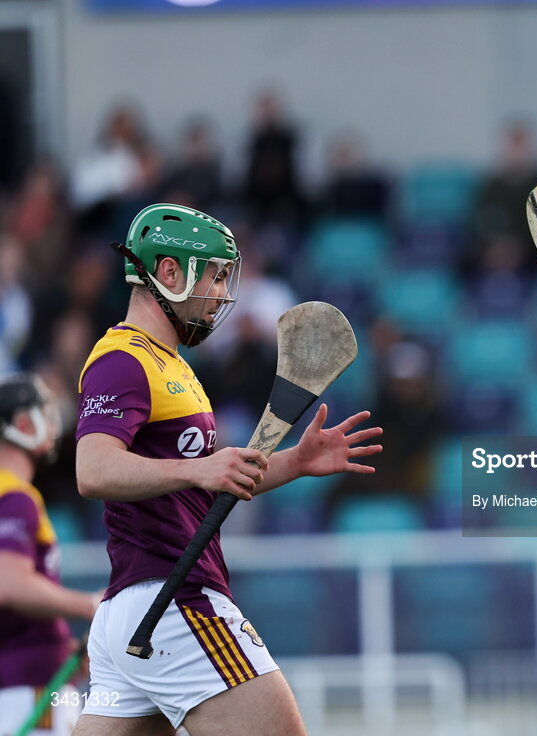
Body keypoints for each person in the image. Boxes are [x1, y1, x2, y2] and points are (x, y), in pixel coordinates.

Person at [71, 204, 383, 736]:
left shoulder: (173, 366)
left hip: (134, 611)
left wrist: (295, 464)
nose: (220, 293)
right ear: (170, 273)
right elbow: (93, 470)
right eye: (213, 275)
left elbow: (214, 480)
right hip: (175, 602)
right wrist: (197, 472)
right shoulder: (122, 359)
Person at [0, 372, 99, 736]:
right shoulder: (14, 498)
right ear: (23, 422)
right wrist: (92, 605)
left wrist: (58, 647)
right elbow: (9, 584)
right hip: (28, 688)